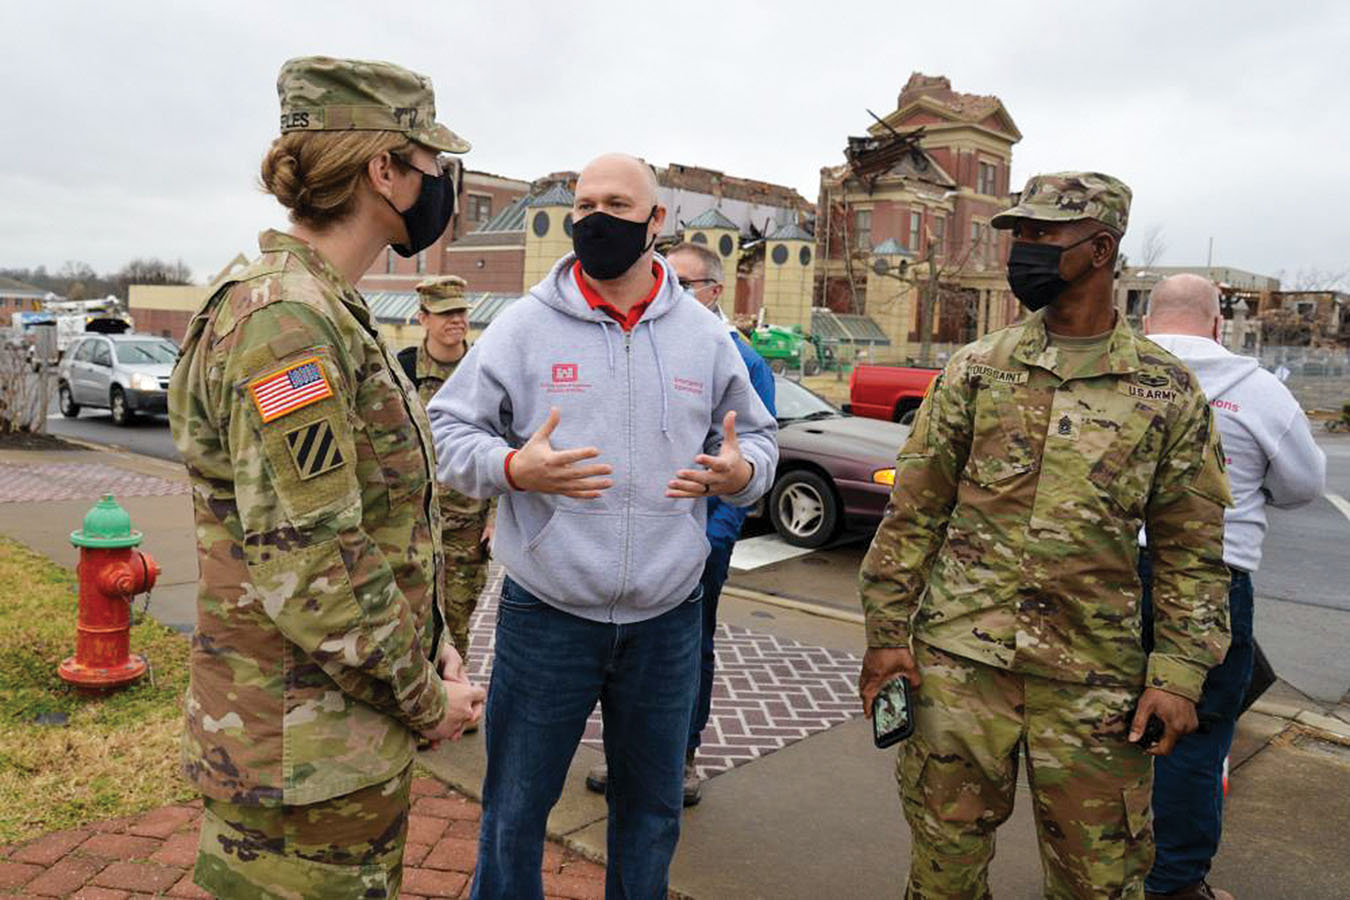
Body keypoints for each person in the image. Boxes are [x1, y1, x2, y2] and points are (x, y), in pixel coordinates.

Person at [857, 172, 1233, 898]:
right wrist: (885, 634)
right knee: (943, 873)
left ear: (1099, 250)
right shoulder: (976, 370)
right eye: (1017, 234)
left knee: (1099, 881)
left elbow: (1193, 548)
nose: (1020, 250)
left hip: (1096, 686)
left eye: (1039, 235)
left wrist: (1178, 674)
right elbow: (916, 512)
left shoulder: (1164, 389)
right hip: (959, 670)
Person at [168, 56, 485, 899]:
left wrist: (435, 644)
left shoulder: (325, 307)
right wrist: (426, 697)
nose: (439, 186)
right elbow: (313, 561)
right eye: (430, 166)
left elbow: (381, 526)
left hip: (330, 739)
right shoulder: (288, 322)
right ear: (384, 169)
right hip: (298, 753)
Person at [427, 153, 779, 899]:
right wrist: (516, 467)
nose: (593, 216)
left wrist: (741, 476)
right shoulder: (523, 327)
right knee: (515, 809)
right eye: (583, 203)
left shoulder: (705, 335)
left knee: (650, 813)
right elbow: (446, 434)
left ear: (657, 222)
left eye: (616, 203)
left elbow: (760, 439)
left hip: (666, 621)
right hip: (546, 616)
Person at [1140, 274, 1326, 900]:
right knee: (1193, 731)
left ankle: (1094, 867)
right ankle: (1174, 883)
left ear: (1146, 321)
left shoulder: (1111, 376)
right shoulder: (1257, 392)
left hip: (1104, 576)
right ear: (1218, 325)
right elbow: (1303, 484)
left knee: (1097, 726)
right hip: (1212, 581)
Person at [584, 240, 777, 806]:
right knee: (627, 655)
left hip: (697, 540)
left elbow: (750, 452)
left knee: (691, 650)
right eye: (663, 274)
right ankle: (629, 757)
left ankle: (681, 758)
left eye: (685, 282)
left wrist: (709, 538)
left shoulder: (741, 356)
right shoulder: (647, 337)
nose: (666, 286)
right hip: (638, 539)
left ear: (715, 291)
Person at [398, 275, 495, 670]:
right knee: (410, 616)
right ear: (422, 318)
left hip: (466, 524)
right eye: (444, 313)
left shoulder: (484, 368)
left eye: (460, 312)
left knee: (456, 619)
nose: (455, 321)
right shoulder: (403, 369)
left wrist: (496, 517)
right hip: (412, 522)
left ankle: (454, 702)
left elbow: (507, 439)